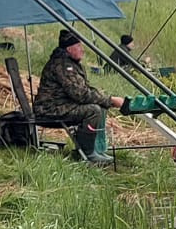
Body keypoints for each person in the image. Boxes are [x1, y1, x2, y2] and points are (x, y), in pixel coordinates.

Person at [34, 28, 125, 167]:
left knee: (99, 107)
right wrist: (110, 100)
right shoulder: (63, 66)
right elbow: (80, 94)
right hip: (49, 109)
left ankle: (94, 149)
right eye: (78, 46)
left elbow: (84, 89)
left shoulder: (71, 64)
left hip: (61, 105)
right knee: (93, 110)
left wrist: (104, 99)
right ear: (69, 49)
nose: (82, 50)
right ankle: (87, 153)